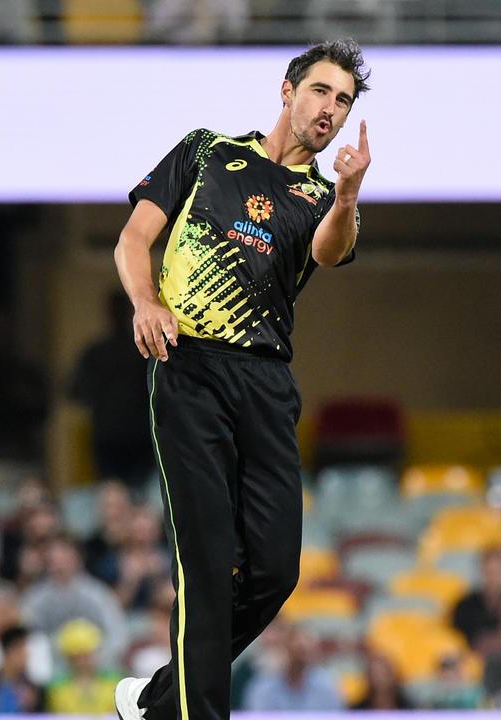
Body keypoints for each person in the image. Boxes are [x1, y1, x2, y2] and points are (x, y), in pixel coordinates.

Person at [110, 39, 372, 720]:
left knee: (274, 572)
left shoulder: (320, 196)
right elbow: (134, 239)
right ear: (287, 92)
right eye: (320, 91)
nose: (330, 109)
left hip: (264, 383)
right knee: (205, 564)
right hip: (188, 369)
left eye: (342, 101)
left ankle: (160, 702)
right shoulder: (206, 151)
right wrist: (144, 302)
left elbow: (329, 251)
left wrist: (347, 195)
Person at [70, 294, 156, 490]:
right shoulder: (98, 352)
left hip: (137, 435)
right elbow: (77, 392)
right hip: (110, 435)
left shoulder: (142, 349)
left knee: (135, 494)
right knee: (113, 494)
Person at [19, 536, 127, 668]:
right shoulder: (35, 597)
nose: (58, 563)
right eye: (53, 559)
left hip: (95, 664)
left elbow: (117, 633)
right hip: (54, 663)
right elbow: (26, 634)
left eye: (63, 557)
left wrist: (97, 659)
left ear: (77, 558)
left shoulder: (97, 593)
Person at [241, 621, 342, 711]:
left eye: (305, 652)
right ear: (285, 649)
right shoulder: (263, 687)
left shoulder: (327, 687)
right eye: (297, 650)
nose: (300, 658)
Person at [451, 546, 501, 650]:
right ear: (482, 571)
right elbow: (458, 639)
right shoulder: (465, 605)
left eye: (498, 572)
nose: (494, 578)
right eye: (490, 572)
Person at [46, 619, 120, 714]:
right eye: (77, 657)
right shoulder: (56, 686)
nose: (82, 661)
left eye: (86, 655)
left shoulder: (113, 680)